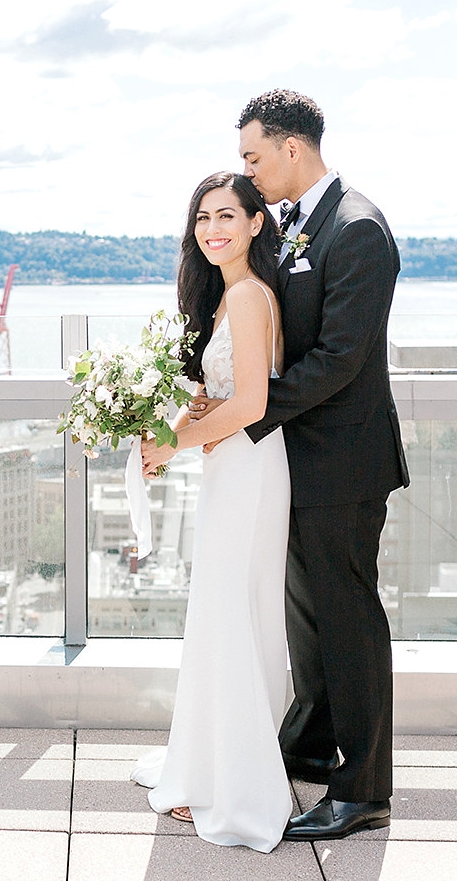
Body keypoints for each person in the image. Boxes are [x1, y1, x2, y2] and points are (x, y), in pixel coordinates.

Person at [195, 89, 409, 841]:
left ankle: (363, 788)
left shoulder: (357, 230)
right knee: (309, 618)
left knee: (348, 621)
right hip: (295, 460)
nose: (246, 172)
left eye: (253, 156)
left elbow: (341, 360)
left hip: (344, 462)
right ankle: (313, 740)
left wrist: (247, 413)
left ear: (292, 150)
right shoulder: (294, 225)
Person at [129, 170, 292, 853]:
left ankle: (240, 785)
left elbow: (254, 403)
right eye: (202, 217)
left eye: (227, 215)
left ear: (256, 223)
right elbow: (227, 396)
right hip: (232, 466)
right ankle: (215, 763)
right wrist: (189, 415)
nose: (213, 228)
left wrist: (168, 442)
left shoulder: (251, 296)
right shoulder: (227, 299)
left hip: (253, 465)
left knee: (230, 611)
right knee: (225, 613)